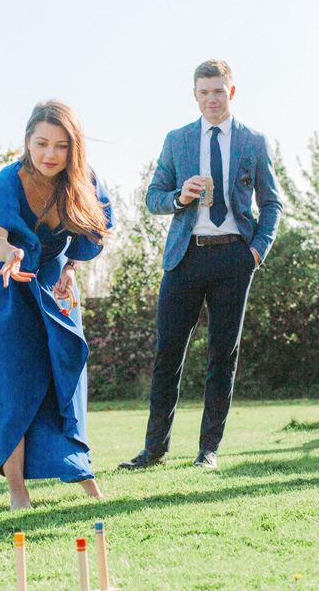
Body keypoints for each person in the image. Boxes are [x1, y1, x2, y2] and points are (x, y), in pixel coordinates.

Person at [118, 60, 282, 472]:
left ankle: (208, 451)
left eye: (219, 91)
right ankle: (154, 450)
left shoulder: (254, 142)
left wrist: (256, 251)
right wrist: (179, 197)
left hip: (234, 257)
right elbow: (153, 196)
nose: (211, 98)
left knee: (222, 356)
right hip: (184, 256)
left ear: (232, 92)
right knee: (167, 355)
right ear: (194, 95)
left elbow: (273, 203)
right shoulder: (177, 140)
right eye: (204, 91)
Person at [0, 101, 112, 510]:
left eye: (61, 145)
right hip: (6, 287)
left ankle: (81, 473)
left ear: (74, 148)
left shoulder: (84, 182)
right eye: (41, 144)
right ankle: (18, 491)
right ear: (27, 142)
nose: (50, 154)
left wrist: (71, 267)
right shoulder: (8, 181)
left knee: (67, 378)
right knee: (14, 387)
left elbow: (94, 232)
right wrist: (11, 255)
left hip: (54, 287)